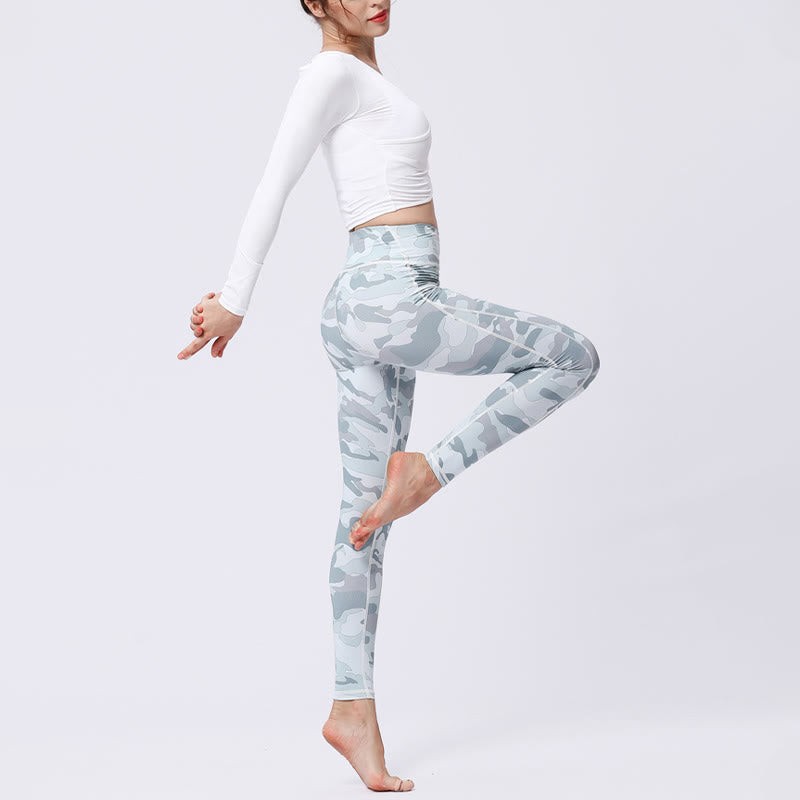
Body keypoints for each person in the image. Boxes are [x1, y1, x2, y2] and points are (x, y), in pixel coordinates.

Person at [177, 1, 600, 792]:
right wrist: (235, 300)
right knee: (571, 358)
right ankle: (429, 472)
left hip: (366, 305)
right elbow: (275, 181)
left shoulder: (362, 78)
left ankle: (352, 709)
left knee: (363, 519)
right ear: (314, 3)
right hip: (387, 294)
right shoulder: (331, 72)